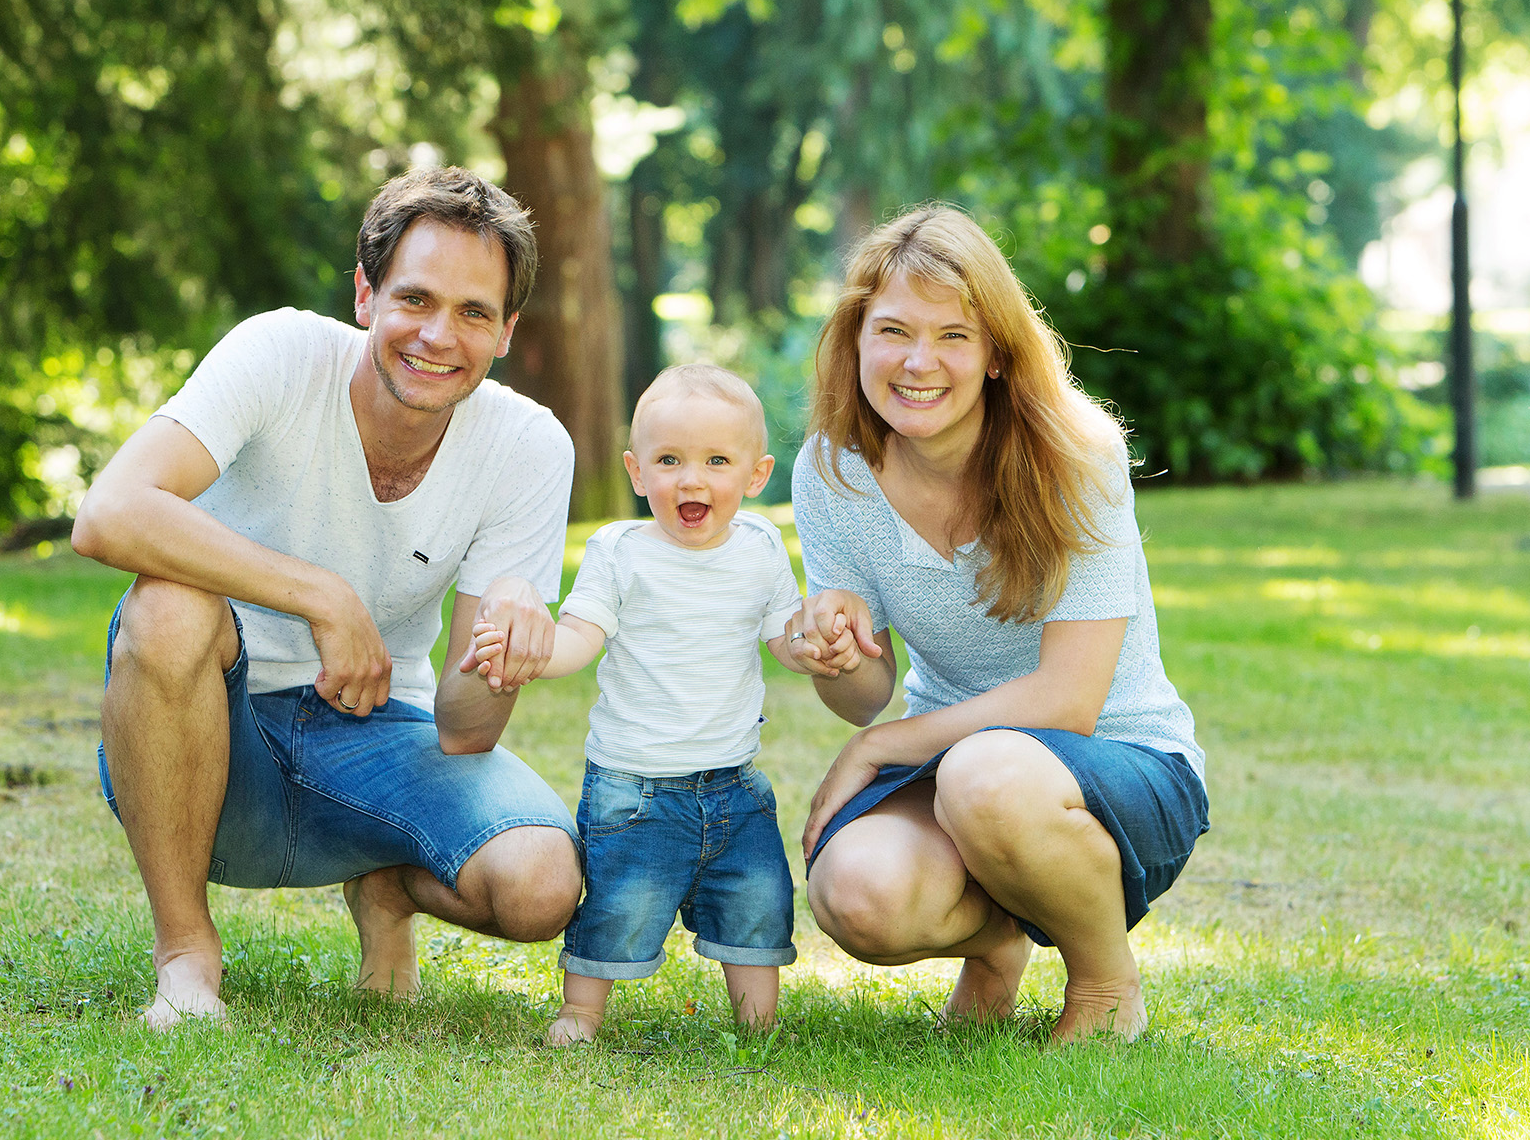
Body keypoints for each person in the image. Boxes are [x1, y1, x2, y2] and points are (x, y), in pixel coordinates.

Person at [70, 166, 583, 1028]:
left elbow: (465, 729)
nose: (437, 336)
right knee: (167, 606)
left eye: (473, 312)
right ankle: (187, 959)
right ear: (364, 294)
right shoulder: (281, 353)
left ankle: (385, 886)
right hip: (208, 741)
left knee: (541, 886)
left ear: (506, 332)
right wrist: (322, 596)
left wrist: (506, 650)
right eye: (414, 299)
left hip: (380, 734)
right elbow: (109, 511)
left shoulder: (529, 446)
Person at [787, 204, 1209, 1044]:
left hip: (1121, 765)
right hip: (959, 768)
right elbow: (864, 696)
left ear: (994, 355)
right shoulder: (832, 470)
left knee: (983, 776)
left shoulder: (1074, 454)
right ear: (856, 338)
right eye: (894, 330)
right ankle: (998, 941)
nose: (918, 362)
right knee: (857, 894)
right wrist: (834, 655)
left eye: (953, 335)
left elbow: (1069, 702)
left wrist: (881, 747)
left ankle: (1102, 982)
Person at [471, 365, 829, 1044]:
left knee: (755, 900)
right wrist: (535, 652)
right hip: (634, 789)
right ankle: (582, 1012)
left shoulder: (758, 549)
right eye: (669, 461)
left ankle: (759, 1023)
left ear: (756, 475)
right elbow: (581, 635)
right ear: (637, 472)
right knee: (618, 905)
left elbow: (782, 635)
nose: (691, 480)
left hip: (734, 784)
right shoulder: (620, 552)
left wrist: (809, 645)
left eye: (716, 461)